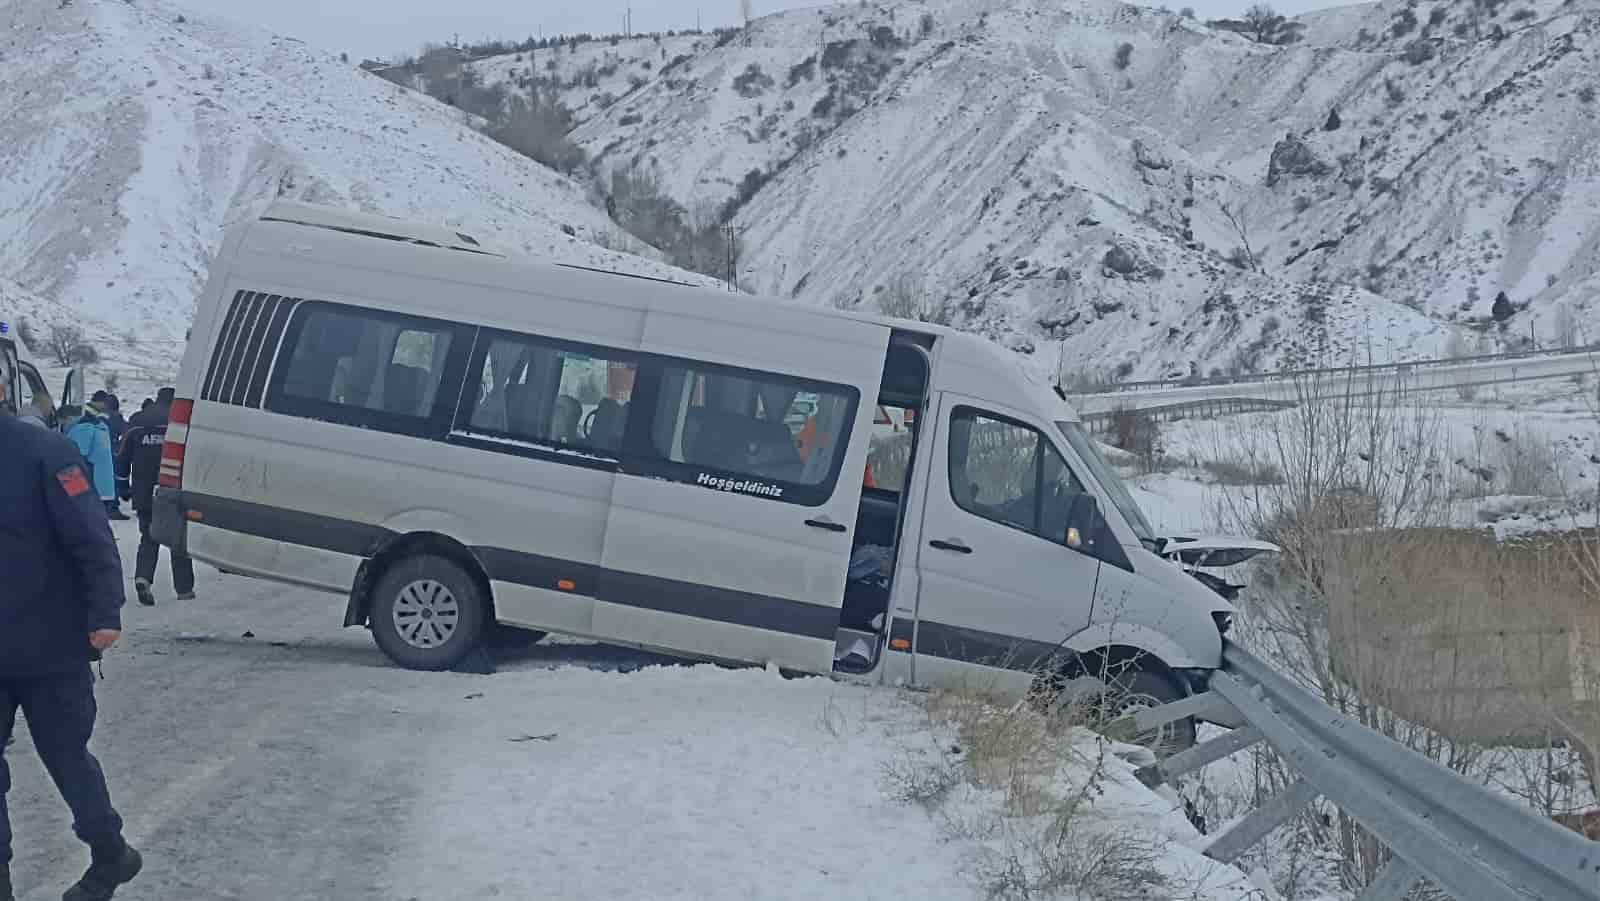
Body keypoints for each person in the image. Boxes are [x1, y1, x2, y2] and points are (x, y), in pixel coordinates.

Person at [0, 381, 144, 901]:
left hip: (50, 644)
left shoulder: (46, 451)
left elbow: (90, 535)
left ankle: (110, 853)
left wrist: (105, 611)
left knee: (64, 755)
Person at [118, 388, 194, 605]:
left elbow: (122, 457)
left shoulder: (137, 421)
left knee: (148, 537)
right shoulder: (178, 421)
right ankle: (184, 589)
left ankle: (143, 577)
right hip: (173, 489)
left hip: (143, 492)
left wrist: (123, 486)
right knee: (178, 539)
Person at [65, 401, 125, 521]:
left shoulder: (84, 428)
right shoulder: (103, 428)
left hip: (88, 485)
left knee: (84, 520)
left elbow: (76, 456)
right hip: (104, 486)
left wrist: (71, 488)